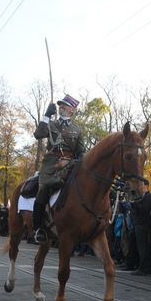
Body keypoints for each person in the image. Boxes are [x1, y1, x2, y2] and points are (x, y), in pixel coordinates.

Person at [33, 94, 85, 243]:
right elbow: (38, 135)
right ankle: (38, 228)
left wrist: (73, 161)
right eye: (60, 104)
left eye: (65, 105)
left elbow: (81, 152)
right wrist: (46, 115)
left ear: (72, 110)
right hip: (51, 164)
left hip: (70, 164)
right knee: (44, 188)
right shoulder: (51, 124)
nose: (61, 107)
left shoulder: (77, 130)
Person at [131, 178, 151, 275]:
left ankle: (144, 268)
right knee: (140, 247)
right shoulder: (142, 197)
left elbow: (145, 209)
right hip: (138, 224)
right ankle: (141, 266)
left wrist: (135, 204)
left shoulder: (148, 197)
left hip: (143, 224)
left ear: (146, 186)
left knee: (143, 247)